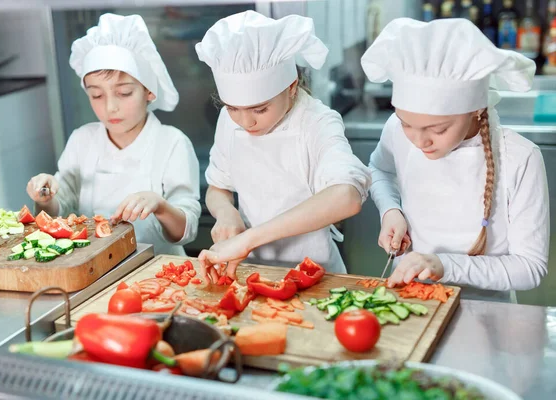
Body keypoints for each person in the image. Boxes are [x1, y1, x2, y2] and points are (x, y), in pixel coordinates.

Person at [363, 18, 549, 302]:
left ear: (476, 109)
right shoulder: (395, 131)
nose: (419, 141)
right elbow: (379, 170)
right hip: (412, 301)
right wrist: (391, 210)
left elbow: (530, 267)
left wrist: (443, 265)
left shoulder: (520, 158)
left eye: (438, 129)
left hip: (486, 317)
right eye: (406, 123)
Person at [195, 11, 371, 283]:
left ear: (290, 87)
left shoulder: (317, 122)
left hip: (316, 275)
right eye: (232, 108)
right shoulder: (229, 122)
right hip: (250, 273)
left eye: (260, 108)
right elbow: (218, 188)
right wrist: (227, 213)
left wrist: (250, 238)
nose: (245, 121)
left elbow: (347, 196)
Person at [26, 14, 201, 256]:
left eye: (125, 93)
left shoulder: (172, 143)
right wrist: (44, 197)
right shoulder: (82, 139)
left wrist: (160, 206)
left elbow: (186, 230)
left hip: (157, 273)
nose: (110, 107)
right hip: (93, 268)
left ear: (149, 91)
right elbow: (60, 208)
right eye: (97, 95)